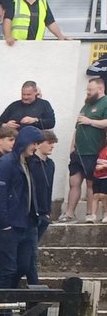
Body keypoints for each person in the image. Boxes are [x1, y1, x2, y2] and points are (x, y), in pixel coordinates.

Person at [0, 124, 44, 290]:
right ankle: (3, 312)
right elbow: (0, 195)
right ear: (25, 142)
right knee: (7, 270)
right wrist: (5, 223)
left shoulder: (28, 163)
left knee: (23, 267)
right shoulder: (6, 163)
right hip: (9, 226)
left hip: (26, 224)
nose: (35, 147)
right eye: (33, 143)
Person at [60, 76, 107, 222]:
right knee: (74, 181)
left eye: (90, 90)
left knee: (90, 183)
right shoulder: (86, 105)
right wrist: (72, 146)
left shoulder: (105, 103)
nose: (87, 92)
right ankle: (69, 213)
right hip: (78, 151)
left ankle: (90, 214)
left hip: (94, 151)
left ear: (100, 88)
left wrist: (91, 121)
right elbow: (78, 126)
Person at [3, 0, 68, 44]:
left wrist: (60, 36)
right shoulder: (15, 1)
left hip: (36, 46)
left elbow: (50, 22)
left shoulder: (43, 3)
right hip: (17, 44)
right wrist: (8, 37)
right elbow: (7, 20)